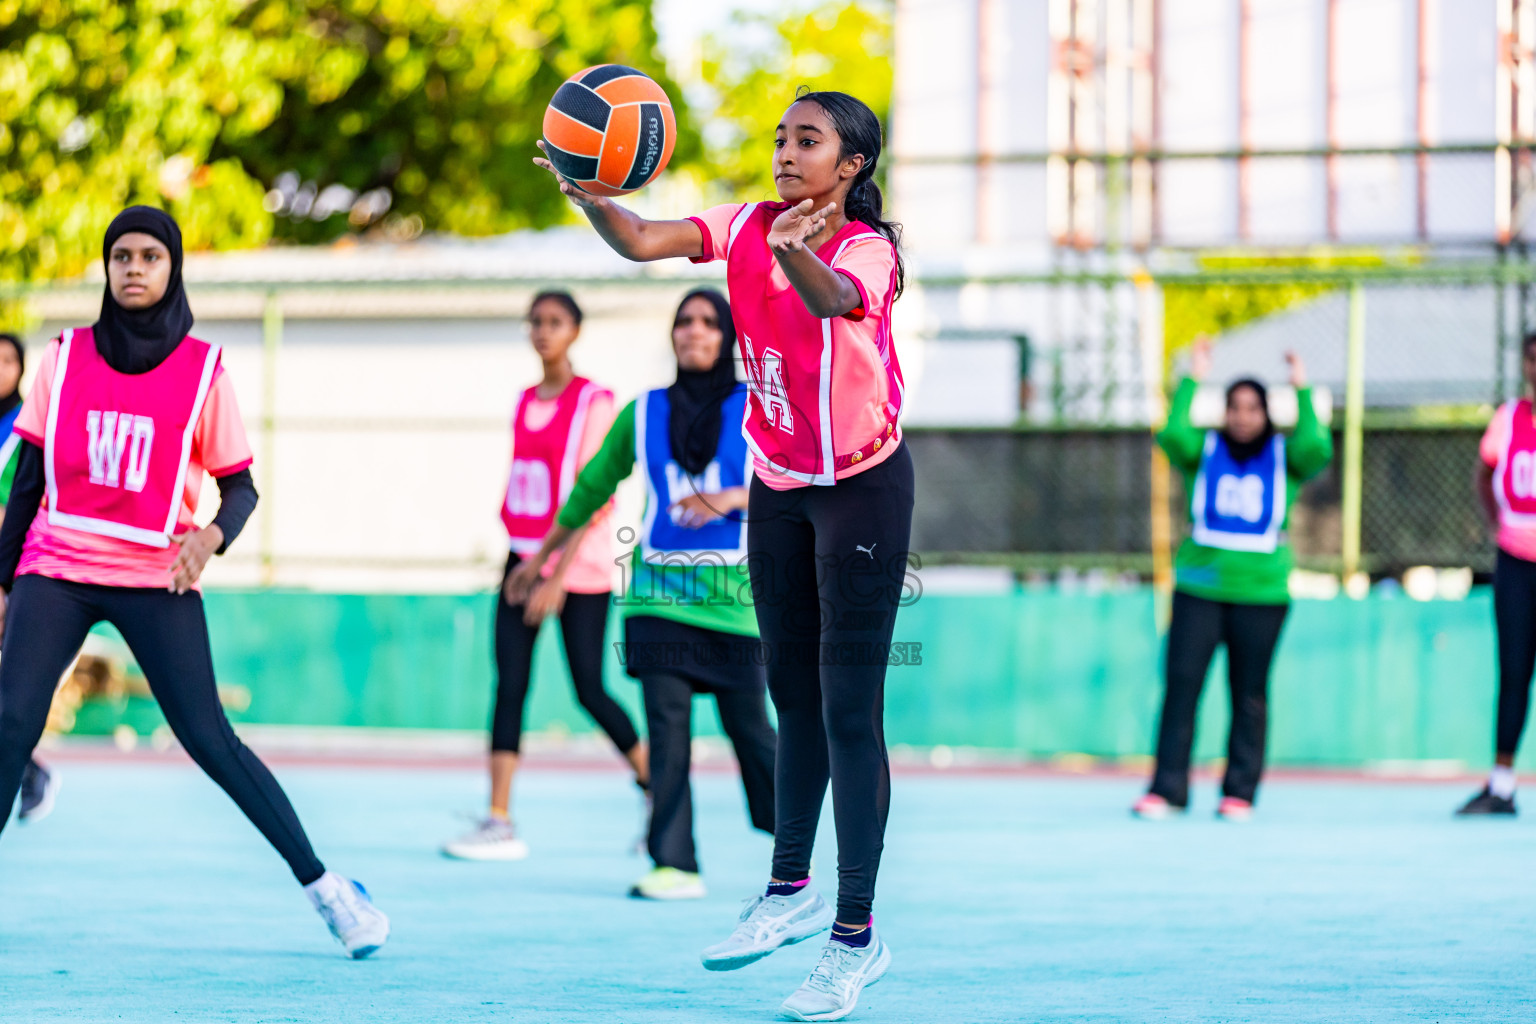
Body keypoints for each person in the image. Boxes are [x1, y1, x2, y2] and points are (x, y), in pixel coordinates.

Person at [535, 87, 909, 1021]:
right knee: (792, 696)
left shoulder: (870, 249)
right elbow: (640, 240)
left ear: (850, 164)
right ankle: (790, 890)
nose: (786, 151)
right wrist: (588, 192)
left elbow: (833, 303)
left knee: (850, 711)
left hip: (862, 486)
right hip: (781, 485)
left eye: (808, 140)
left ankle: (856, 940)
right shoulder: (745, 226)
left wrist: (795, 252)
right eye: (781, 137)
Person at [0, 207, 389, 958]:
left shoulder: (203, 370)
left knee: (208, 738)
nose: (135, 268)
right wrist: (4, 579)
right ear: (106, 270)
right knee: (11, 726)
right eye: (121, 257)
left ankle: (330, 891)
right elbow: (25, 482)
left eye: (150, 255)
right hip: (59, 566)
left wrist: (209, 538)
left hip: (155, 575)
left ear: (173, 267)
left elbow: (241, 488)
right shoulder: (65, 356)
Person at [508, 288, 776, 901]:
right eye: (684, 322)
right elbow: (589, 488)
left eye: (709, 322)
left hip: (735, 606)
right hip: (658, 604)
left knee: (755, 735)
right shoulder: (645, 411)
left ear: (728, 337)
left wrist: (734, 499)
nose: (694, 331)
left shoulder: (757, 407)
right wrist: (541, 560)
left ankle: (792, 841)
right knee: (668, 733)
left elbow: (796, 482)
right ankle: (674, 862)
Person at [442, 290, 648, 861]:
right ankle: (498, 816)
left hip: (576, 568)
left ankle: (658, 788)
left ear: (575, 331)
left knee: (588, 688)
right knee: (509, 683)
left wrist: (555, 575)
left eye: (555, 322)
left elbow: (595, 492)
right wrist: (523, 559)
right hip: (523, 557)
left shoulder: (594, 401)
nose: (543, 331)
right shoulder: (523, 401)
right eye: (536, 322)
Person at [1132, 337, 1332, 821]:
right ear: (1223, 412)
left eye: (1253, 408)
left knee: (1249, 693)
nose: (1243, 416)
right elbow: (1171, 434)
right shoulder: (1204, 452)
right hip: (1200, 587)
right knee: (1182, 686)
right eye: (1235, 407)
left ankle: (1239, 791)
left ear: (1267, 414)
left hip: (1261, 594)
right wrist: (1193, 378)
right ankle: (1168, 788)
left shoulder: (1286, 458)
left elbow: (1318, 445)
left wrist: (1301, 389)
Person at [1458, 331, 1536, 815]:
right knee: (1513, 672)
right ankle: (1502, 783)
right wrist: (1494, 522)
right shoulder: (1509, 419)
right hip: (1516, 562)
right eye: (1532, 358)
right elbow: (1484, 472)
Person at [0, 332, 60, 823]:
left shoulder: (24, 430)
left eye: (7, 360)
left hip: (12, 566)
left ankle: (29, 769)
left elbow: (18, 501)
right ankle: (28, 770)